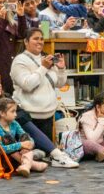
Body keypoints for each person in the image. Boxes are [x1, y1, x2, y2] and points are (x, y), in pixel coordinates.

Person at [9, 29, 80, 168]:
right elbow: (27, 85)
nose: (40, 41)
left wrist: (61, 69)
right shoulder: (20, 61)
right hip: (28, 114)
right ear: (26, 41)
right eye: (35, 38)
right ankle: (58, 156)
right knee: (38, 149)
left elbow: (59, 83)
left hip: (47, 115)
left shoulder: (47, 58)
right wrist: (43, 68)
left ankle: (42, 158)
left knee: (42, 152)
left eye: (41, 38)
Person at [0, 96, 46, 176]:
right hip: (5, 159)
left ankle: (26, 165)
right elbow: (1, 149)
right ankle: (32, 165)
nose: (16, 114)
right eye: (12, 111)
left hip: (16, 155)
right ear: (2, 113)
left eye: (16, 111)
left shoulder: (14, 123)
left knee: (25, 137)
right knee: (8, 138)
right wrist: (20, 145)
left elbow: (24, 135)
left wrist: (30, 143)